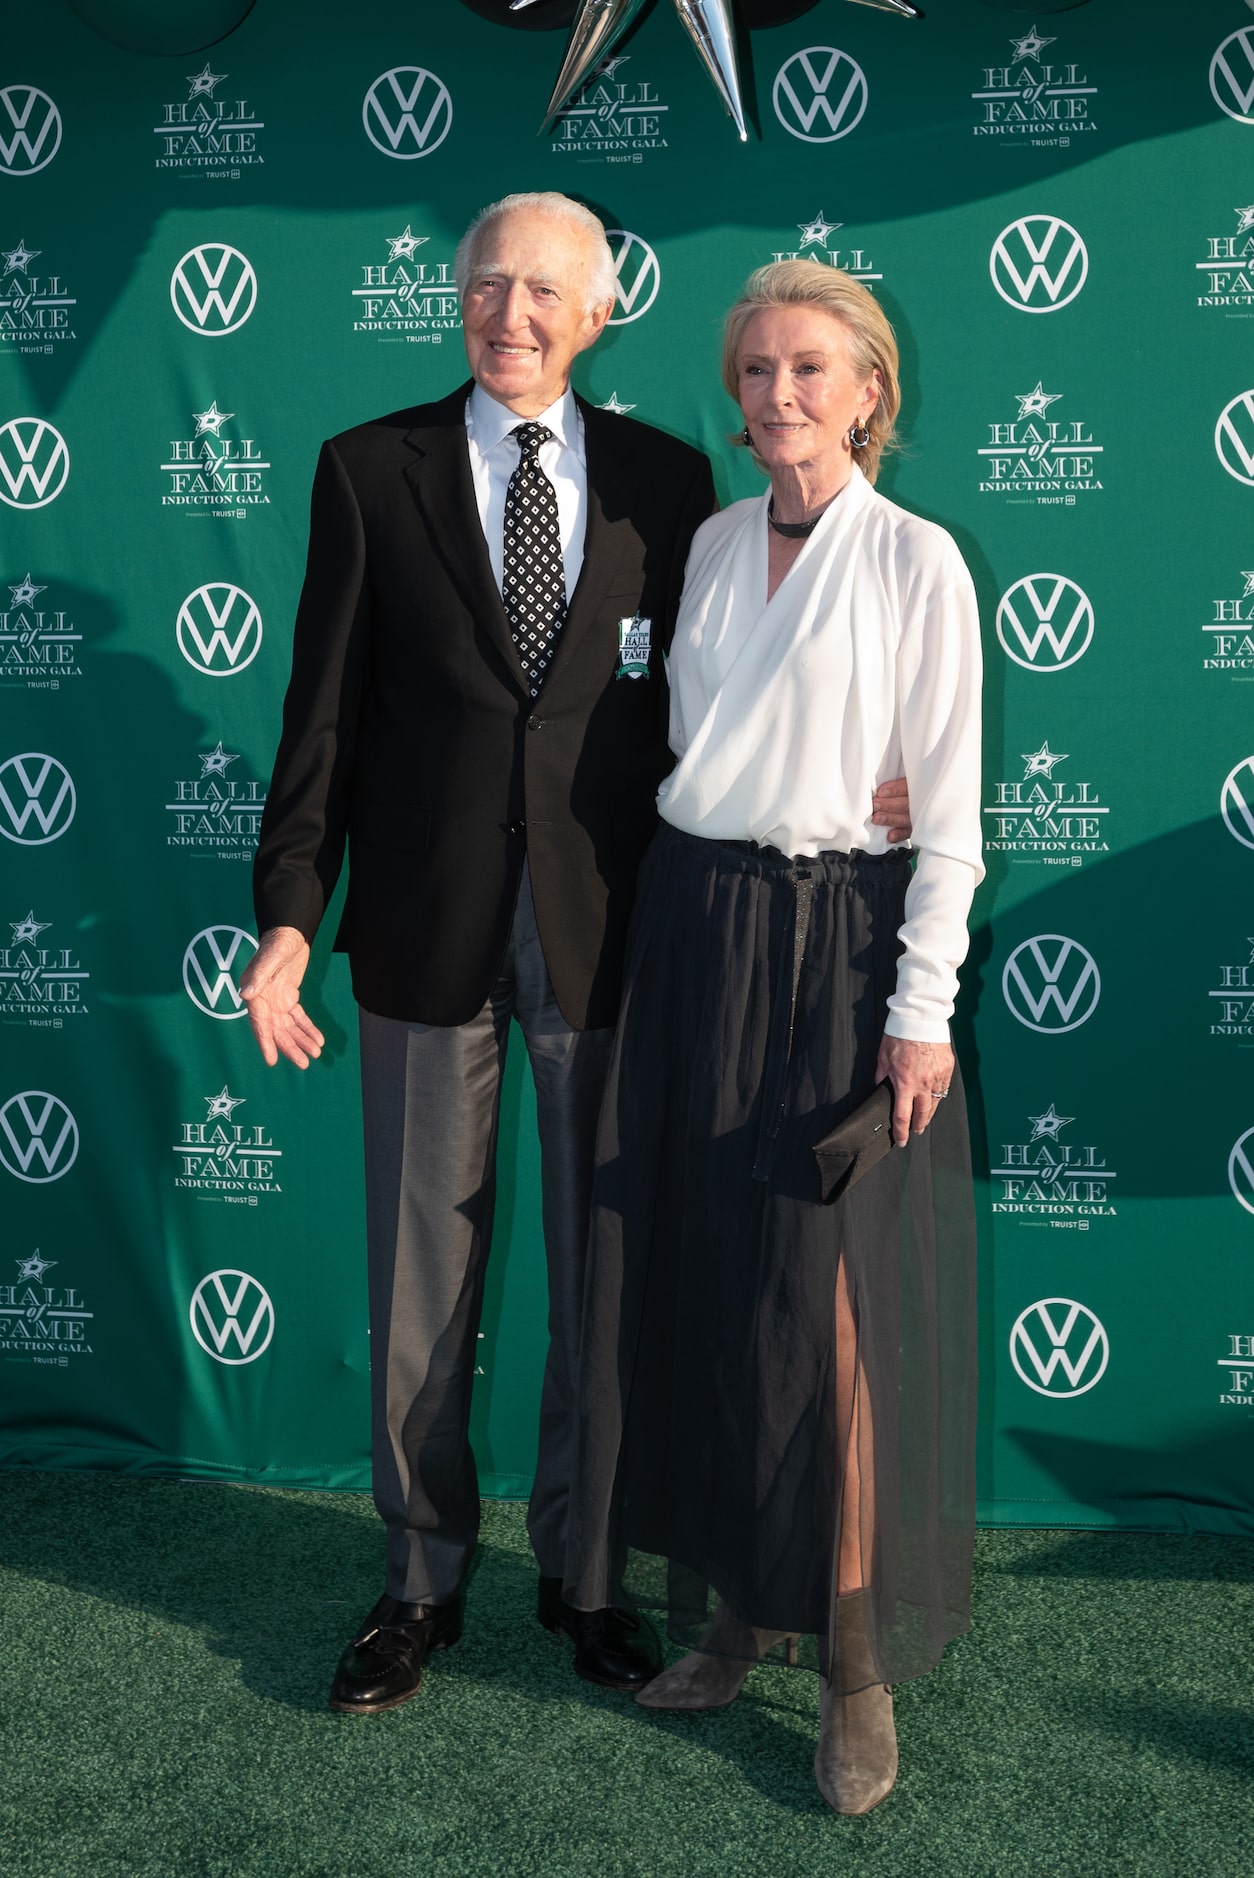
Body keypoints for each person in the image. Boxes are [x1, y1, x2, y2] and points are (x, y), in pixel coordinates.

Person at [241, 196, 912, 1718]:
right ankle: (417, 1578)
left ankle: (587, 1571)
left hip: (616, 935)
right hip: (420, 940)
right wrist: (288, 912)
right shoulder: (365, 471)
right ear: (455, 302)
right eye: (486, 283)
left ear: (599, 312)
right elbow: (319, 726)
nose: (512, 311)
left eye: (545, 287)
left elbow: (749, 676)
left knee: (606, 1276)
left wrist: (886, 777)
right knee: (423, 1282)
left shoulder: (677, 483)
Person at [562, 259, 982, 1815]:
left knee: (837, 1318)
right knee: (707, 1279)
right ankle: (733, 1610)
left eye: (809, 369)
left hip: (838, 955)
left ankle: (855, 1661)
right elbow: (692, 748)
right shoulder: (711, 546)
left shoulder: (919, 560)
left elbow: (946, 817)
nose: (779, 396)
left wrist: (917, 1013)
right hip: (696, 930)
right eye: (754, 372)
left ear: (871, 389)